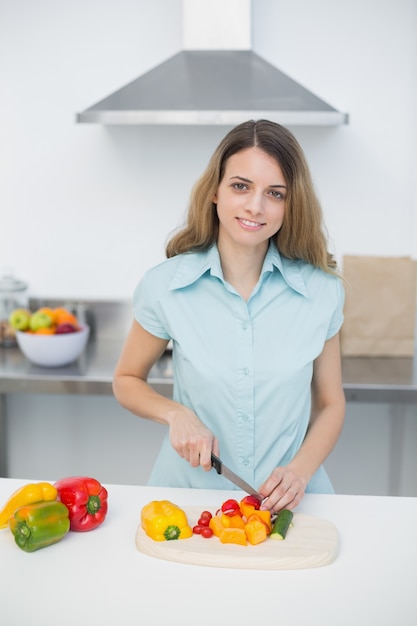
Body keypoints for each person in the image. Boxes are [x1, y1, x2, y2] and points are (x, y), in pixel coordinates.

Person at [113, 119, 345, 514]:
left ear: (291, 205)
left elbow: (330, 403)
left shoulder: (323, 291)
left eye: (275, 193)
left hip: (293, 506)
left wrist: (300, 472)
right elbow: (126, 380)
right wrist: (176, 414)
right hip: (188, 504)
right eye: (241, 186)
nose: (256, 206)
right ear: (215, 192)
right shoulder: (165, 286)